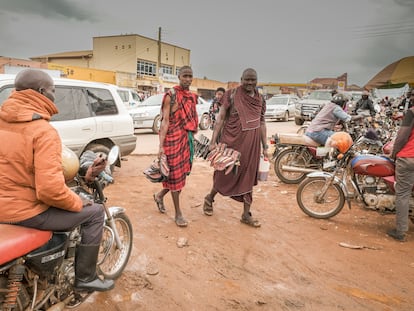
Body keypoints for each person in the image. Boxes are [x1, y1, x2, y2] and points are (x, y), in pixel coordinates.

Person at [0, 69, 114, 292]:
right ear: (42, 92)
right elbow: (49, 191)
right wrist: (78, 202)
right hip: (25, 212)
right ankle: (86, 278)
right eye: (53, 91)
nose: (54, 96)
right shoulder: (43, 131)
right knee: (94, 213)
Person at [202, 68, 267, 227]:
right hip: (231, 143)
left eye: (253, 80)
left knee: (249, 176)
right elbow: (221, 118)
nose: (250, 83)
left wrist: (265, 146)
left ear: (257, 80)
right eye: (247, 80)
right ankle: (209, 198)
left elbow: (262, 122)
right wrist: (212, 141)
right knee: (224, 173)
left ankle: (246, 214)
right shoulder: (231, 94)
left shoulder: (260, 99)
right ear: (241, 79)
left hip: (252, 146)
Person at [153, 66, 199, 227]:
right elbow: (165, 121)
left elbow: (193, 119)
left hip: (186, 141)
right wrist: (161, 145)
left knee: (180, 176)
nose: (187, 79)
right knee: (174, 177)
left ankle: (159, 196)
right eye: (184, 76)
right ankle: (178, 214)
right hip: (172, 141)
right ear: (178, 77)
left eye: (190, 76)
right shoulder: (171, 95)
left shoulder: (192, 97)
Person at [388, 106, 414, 241]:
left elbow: (402, 136)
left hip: (409, 157)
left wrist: (393, 154)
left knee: (403, 194)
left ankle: (400, 231)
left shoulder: (412, 111)